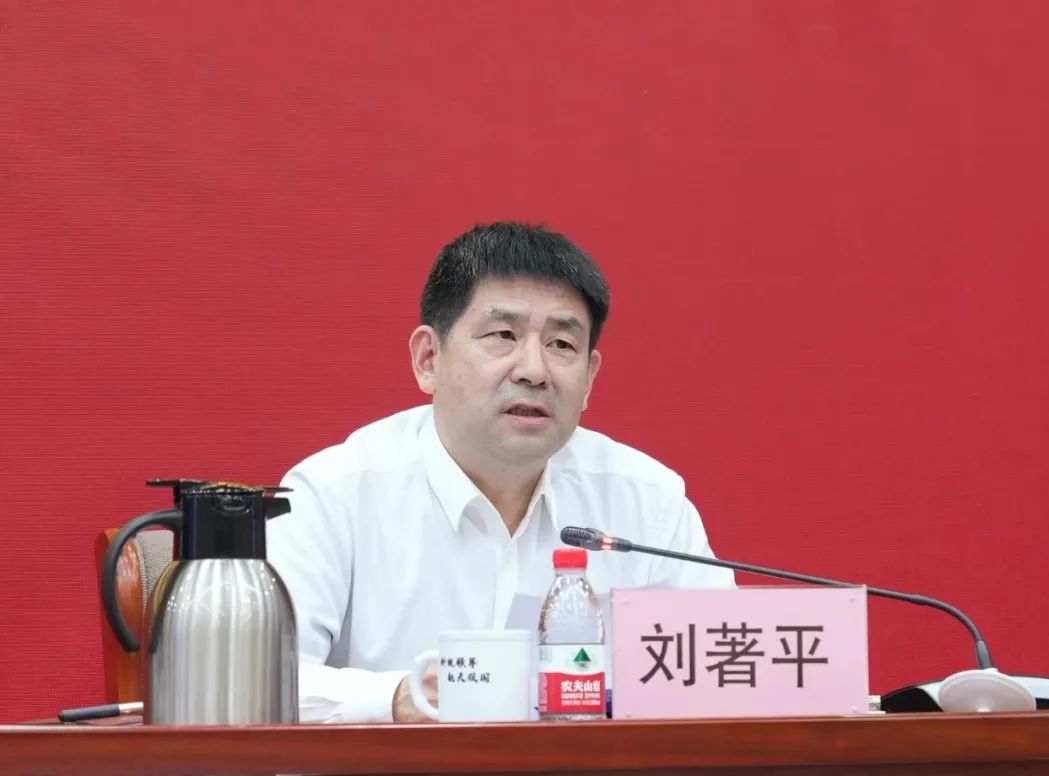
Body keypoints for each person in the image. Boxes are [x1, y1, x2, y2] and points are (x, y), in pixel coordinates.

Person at [267, 222, 734, 723]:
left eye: (562, 345)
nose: (534, 370)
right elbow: (261, 680)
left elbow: (722, 673)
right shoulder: (332, 496)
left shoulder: (647, 503)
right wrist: (402, 697)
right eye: (503, 335)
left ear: (589, 378)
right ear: (429, 359)